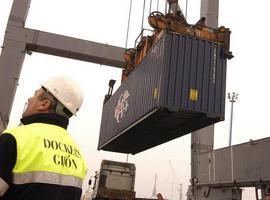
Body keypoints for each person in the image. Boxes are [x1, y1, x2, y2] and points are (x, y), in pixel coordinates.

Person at [0, 76, 87, 200]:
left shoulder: (14, 138)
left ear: (44, 104)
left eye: (35, 95)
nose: (30, 98)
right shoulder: (78, 155)